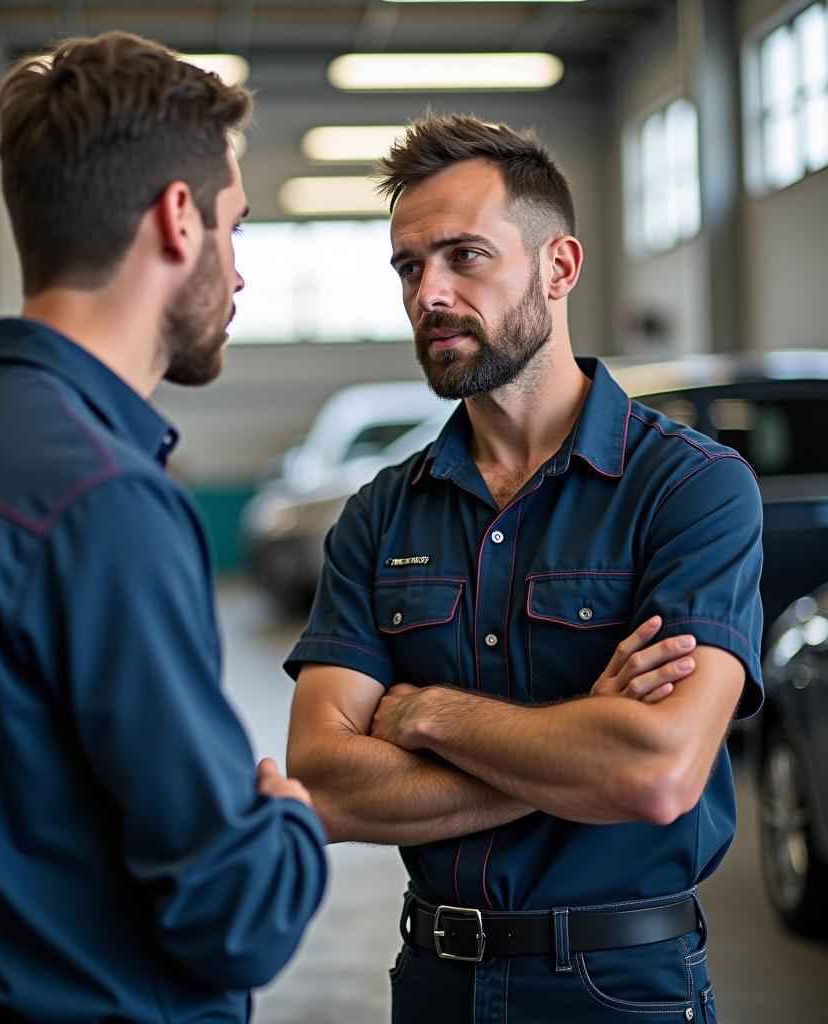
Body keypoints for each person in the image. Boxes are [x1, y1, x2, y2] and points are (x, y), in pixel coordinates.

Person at [0, 32, 326, 1024]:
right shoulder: (102, 497)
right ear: (176, 218)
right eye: (234, 228)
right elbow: (236, 914)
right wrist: (287, 824)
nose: (238, 276)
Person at [285, 113, 763, 1023]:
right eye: (408, 266)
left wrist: (428, 714)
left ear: (559, 267)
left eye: (465, 257)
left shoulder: (690, 489)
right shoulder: (382, 511)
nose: (429, 292)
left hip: (621, 986)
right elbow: (324, 782)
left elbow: (656, 774)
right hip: (433, 984)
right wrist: (583, 742)